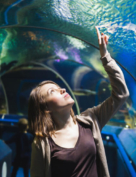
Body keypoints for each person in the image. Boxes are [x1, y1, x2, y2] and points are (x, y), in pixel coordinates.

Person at [28, 27, 129, 177]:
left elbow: (121, 94)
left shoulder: (90, 120)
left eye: (59, 87)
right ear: (46, 108)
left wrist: (105, 57)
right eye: (52, 91)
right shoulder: (42, 143)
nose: (62, 89)